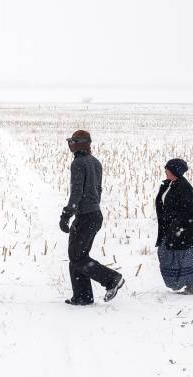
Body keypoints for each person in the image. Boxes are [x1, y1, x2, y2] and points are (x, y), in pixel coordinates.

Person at [59, 130, 124, 305]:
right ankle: (83, 297)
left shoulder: (78, 164)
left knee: (77, 257)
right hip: (94, 214)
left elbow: (76, 193)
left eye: (72, 141)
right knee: (78, 256)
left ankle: (112, 279)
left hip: (86, 216)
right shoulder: (95, 162)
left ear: (79, 144)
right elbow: (99, 190)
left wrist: (66, 215)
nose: (70, 145)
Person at [155, 159, 193, 294]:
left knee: (186, 256)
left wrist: (177, 226)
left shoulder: (183, 187)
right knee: (167, 253)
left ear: (175, 171)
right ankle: (177, 282)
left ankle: (190, 286)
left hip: (185, 231)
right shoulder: (170, 184)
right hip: (171, 228)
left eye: (167, 169)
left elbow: (189, 210)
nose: (165, 171)